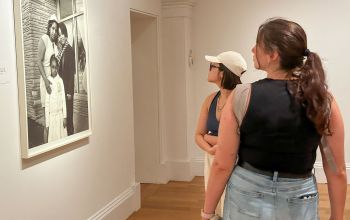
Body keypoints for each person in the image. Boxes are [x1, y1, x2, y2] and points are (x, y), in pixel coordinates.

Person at [202, 18, 347, 220]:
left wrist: (207, 213)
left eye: (258, 45)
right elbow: (336, 170)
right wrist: (337, 217)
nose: (253, 49)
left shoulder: (243, 95)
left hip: (246, 193)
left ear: (273, 55)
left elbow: (222, 164)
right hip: (299, 196)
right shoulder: (323, 100)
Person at [195, 51, 247, 217]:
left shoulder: (242, 99)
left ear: (223, 72)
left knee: (231, 206)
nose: (209, 69)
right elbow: (198, 135)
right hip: (211, 158)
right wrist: (209, 148)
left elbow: (244, 139)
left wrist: (210, 138)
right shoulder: (210, 99)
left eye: (212, 66)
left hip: (235, 161)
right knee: (216, 207)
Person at [37, 14, 59, 142]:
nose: (54, 32)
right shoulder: (44, 39)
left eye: (56, 30)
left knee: (54, 119)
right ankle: (46, 147)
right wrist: (46, 82)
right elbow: (38, 61)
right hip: (46, 84)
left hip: (54, 84)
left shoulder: (55, 45)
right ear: (48, 27)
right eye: (52, 28)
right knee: (47, 121)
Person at [57, 22, 76, 135]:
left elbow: (71, 72)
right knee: (65, 116)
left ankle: (71, 137)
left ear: (66, 34)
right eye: (59, 35)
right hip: (62, 90)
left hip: (67, 92)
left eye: (62, 34)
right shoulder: (61, 51)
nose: (61, 37)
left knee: (69, 117)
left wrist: (69, 92)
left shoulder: (69, 50)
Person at [45, 55, 67, 142]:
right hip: (52, 117)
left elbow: (63, 99)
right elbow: (47, 103)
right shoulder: (48, 81)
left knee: (62, 141)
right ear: (50, 67)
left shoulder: (60, 81)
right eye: (53, 67)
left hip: (60, 116)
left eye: (56, 67)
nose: (54, 69)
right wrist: (47, 123)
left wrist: (65, 117)